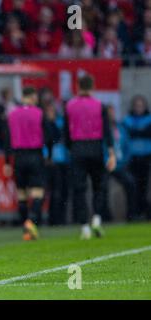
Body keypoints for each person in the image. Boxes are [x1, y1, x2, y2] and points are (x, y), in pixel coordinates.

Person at [64, 75, 116, 240]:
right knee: (98, 186)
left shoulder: (70, 105)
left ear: (78, 86)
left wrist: (71, 149)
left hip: (77, 148)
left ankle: (84, 227)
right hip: (95, 148)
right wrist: (111, 152)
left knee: (79, 189)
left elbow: (65, 131)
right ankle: (97, 218)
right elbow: (107, 130)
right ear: (92, 86)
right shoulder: (100, 105)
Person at [3, 87, 55, 240]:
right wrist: (49, 155)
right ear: (32, 97)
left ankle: (26, 229)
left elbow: (6, 139)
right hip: (35, 155)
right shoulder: (39, 113)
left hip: (18, 158)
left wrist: (7, 162)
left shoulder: (12, 115)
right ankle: (31, 222)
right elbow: (49, 137)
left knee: (22, 195)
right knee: (38, 193)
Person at [42, 94, 70, 226]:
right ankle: (51, 219)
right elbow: (49, 140)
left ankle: (60, 218)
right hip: (49, 160)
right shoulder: (44, 124)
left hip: (62, 160)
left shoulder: (60, 122)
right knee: (51, 191)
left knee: (61, 191)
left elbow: (61, 138)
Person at [107, 106, 138, 221]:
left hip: (120, 165)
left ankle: (132, 214)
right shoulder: (102, 130)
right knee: (101, 188)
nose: (111, 115)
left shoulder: (121, 128)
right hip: (106, 165)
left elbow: (127, 147)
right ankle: (104, 216)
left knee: (131, 184)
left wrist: (123, 162)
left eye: (112, 112)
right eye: (108, 113)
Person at [123, 95, 151, 220]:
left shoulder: (148, 119)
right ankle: (134, 212)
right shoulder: (127, 120)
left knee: (144, 186)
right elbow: (128, 134)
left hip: (146, 157)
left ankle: (143, 212)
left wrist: (138, 131)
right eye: (136, 106)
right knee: (133, 185)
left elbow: (142, 133)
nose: (139, 108)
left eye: (141, 106)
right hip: (132, 158)